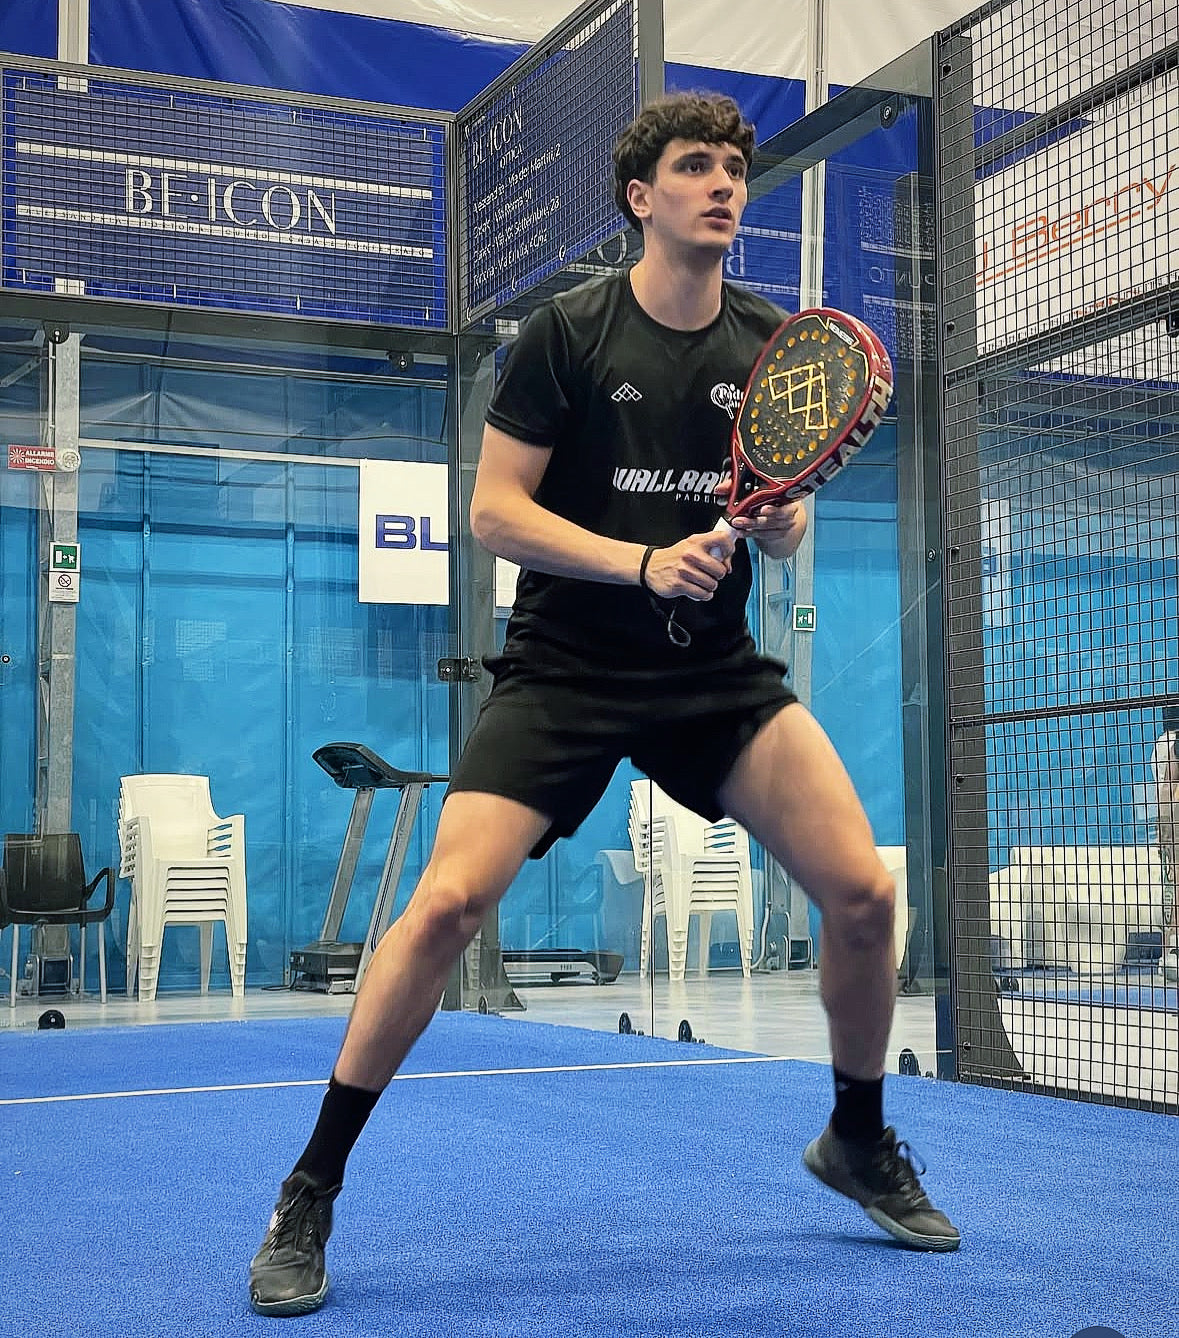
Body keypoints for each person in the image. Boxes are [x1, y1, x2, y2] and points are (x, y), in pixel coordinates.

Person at [248, 91, 961, 1318]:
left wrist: (782, 524)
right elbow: (493, 514)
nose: (723, 184)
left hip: (709, 675)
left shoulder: (771, 342)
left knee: (864, 893)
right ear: (642, 197)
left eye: (734, 167)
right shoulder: (566, 335)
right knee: (446, 904)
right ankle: (310, 1187)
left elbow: (785, 520)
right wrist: (638, 563)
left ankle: (856, 1137)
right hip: (566, 667)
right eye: (695, 166)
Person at [1151, 704, 1179, 981]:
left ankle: (1167, 952)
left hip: (1168, 815)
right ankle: (1171, 951)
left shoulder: (1160, 744)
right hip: (1173, 815)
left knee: (1169, 883)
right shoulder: (1172, 744)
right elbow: (1168, 782)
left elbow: (1162, 784)